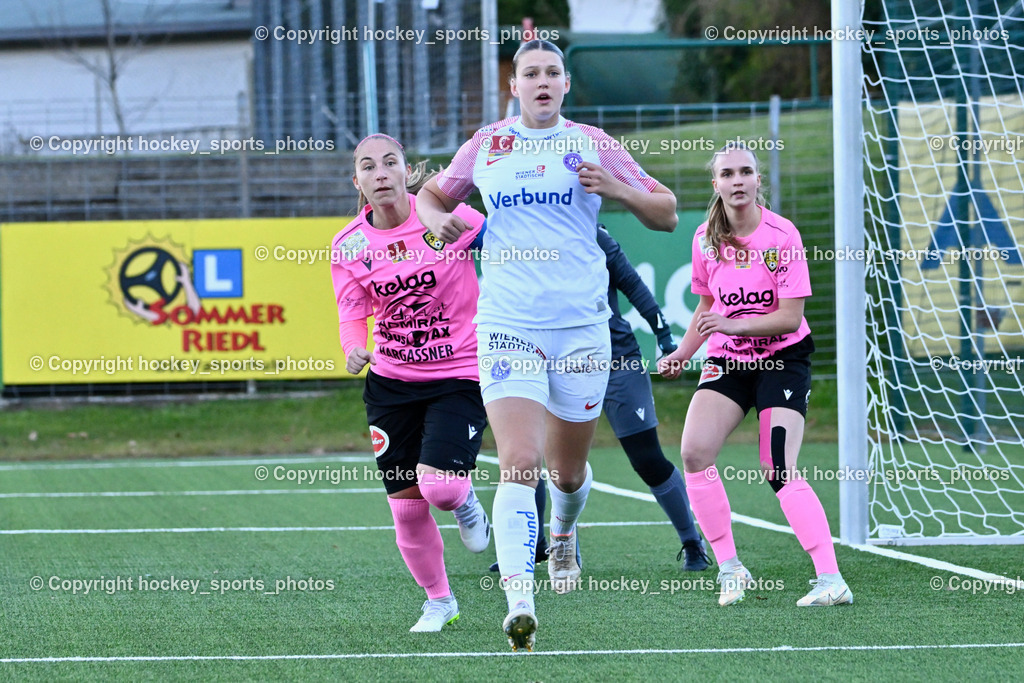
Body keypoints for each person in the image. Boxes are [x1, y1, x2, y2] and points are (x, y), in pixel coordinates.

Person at [416, 39, 677, 651]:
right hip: (507, 323)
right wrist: (436, 221)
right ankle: (518, 602)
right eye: (529, 73)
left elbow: (665, 212)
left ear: (565, 85)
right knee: (519, 464)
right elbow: (431, 195)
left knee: (567, 471)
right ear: (513, 86)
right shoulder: (486, 142)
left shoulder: (594, 143)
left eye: (551, 73)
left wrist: (618, 190)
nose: (540, 81)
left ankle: (563, 530)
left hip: (582, 329)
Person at [657, 142, 852, 607]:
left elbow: (788, 317)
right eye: (728, 174)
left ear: (758, 180)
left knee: (778, 467)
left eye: (746, 172)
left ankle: (831, 580)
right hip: (728, 358)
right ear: (716, 184)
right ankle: (731, 569)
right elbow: (707, 306)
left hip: (782, 358)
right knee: (694, 453)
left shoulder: (783, 236)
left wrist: (733, 323)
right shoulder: (705, 237)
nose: (738, 181)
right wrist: (683, 353)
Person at [330, 133, 492, 633]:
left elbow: (507, 252)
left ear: (406, 172)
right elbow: (352, 313)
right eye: (368, 166)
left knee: (440, 488)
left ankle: (465, 501)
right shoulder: (349, 245)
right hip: (391, 383)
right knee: (406, 509)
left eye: (390, 163)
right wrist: (352, 347)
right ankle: (440, 601)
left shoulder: (448, 219)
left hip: (458, 374)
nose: (380, 173)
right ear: (356, 181)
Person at [487, 225, 710, 575]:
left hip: (616, 361)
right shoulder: (518, 233)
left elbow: (633, 284)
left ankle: (692, 542)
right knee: (529, 456)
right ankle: (535, 546)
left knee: (647, 457)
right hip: (554, 365)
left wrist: (665, 336)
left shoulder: (593, 234)